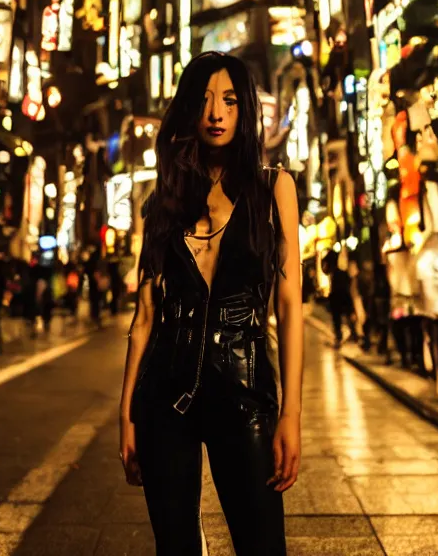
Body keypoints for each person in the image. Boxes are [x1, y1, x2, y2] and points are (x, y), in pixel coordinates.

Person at [119, 52, 303, 556]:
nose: (216, 114)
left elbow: (288, 308)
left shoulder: (273, 189)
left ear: (245, 110)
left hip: (244, 397)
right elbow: (144, 319)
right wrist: (126, 414)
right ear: (187, 112)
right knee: (174, 548)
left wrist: (291, 414)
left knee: (262, 545)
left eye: (227, 101)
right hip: (163, 399)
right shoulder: (164, 201)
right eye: (202, 101)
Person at [323, 251, 358, 348]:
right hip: (342, 300)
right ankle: (351, 336)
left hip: (341, 301)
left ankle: (351, 337)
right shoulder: (337, 274)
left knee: (342, 320)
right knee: (343, 320)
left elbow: (344, 290)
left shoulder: (338, 275)